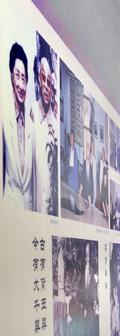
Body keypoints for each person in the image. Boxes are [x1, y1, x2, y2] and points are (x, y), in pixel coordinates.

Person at [3, 42, 35, 210]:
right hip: (8, 213)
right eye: (17, 76)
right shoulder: (4, 118)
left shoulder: (31, 126)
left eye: (24, 78)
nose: (21, 85)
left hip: (29, 215)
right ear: (11, 77)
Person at [31, 41, 58, 215]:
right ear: (38, 80)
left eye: (49, 81)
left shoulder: (54, 123)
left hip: (50, 209)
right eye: (43, 79)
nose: (46, 87)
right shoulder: (32, 112)